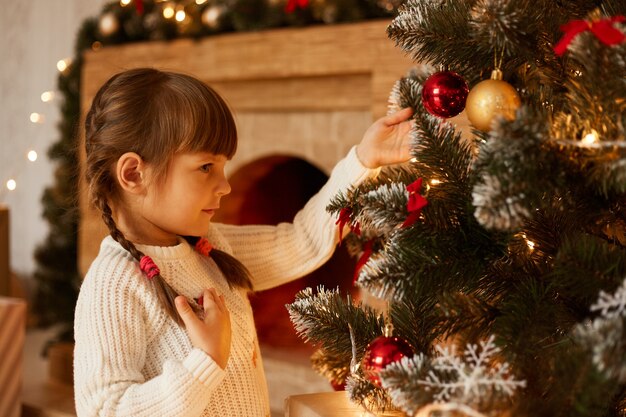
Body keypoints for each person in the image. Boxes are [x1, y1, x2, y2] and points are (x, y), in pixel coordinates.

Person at [74, 67, 414, 417]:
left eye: (224, 167)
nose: (225, 186)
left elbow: (299, 241)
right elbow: (105, 410)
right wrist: (203, 363)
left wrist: (362, 162)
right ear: (133, 173)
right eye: (206, 167)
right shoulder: (114, 285)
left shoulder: (210, 246)